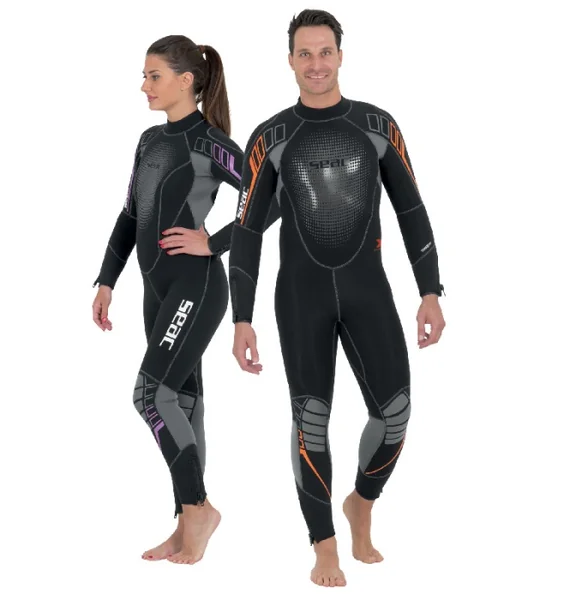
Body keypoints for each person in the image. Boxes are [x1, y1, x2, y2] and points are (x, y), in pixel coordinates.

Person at [228, 9, 446, 588]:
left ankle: (361, 502)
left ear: (341, 56)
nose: (316, 63)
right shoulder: (270, 137)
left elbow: (412, 209)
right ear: (290, 60)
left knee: (395, 413)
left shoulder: (377, 124)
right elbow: (247, 230)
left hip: (367, 288)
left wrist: (429, 290)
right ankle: (323, 544)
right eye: (305, 53)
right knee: (311, 420)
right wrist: (241, 317)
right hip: (300, 297)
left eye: (325, 51)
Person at [91, 34, 279, 566]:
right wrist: (106, 280)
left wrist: (213, 242)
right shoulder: (149, 140)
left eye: (154, 76)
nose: (144, 86)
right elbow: (131, 215)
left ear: (186, 80)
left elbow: (271, 196)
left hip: (196, 286)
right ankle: (185, 520)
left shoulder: (210, 142)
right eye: (145, 76)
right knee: (181, 399)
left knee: (150, 395)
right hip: (156, 290)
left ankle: (199, 509)